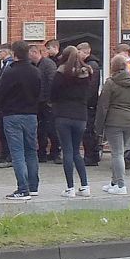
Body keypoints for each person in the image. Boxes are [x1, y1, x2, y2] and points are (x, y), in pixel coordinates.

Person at [0, 41, 42, 200]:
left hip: (12, 115)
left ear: (14, 54)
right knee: (31, 151)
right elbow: (39, 93)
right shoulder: (36, 71)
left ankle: (22, 189)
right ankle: (33, 186)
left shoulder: (10, 72)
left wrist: (3, 107)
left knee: (17, 152)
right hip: (31, 114)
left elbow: (0, 93)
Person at [50, 45, 93, 197]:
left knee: (67, 151)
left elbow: (53, 93)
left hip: (63, 115)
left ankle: (70, 188)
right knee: (76, 152)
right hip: (81, 115)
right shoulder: (87, 73)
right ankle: (85, 186)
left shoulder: (61, 73)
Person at [95, 54, 130, 195]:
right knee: (120, 152)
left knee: (117, 153)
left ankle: (121, 185)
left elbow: (103, 106)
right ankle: (114, 182)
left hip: (114, 121)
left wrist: (99, 126)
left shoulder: (110, 83)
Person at [29, 44, 59, 163]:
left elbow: (52, 82)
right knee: (40, 129)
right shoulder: (33, 65)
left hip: (47, 102)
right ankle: (41, 152)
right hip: (38, 102)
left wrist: (50, 100)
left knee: (51, 128)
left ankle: (55, 152)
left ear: (35, 53)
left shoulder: (48, 64)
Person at [78, 42, 102, 167]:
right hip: (89, 103)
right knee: (88, 130)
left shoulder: (92, 65)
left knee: (88, 130)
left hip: (89, 104)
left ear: (86, 52)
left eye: (79, 52)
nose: (78, 54)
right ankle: (91, 155)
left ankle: (91, 156)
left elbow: (91, 87)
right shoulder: (91, 64)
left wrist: (85, 101)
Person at [0, 43, 14, 168]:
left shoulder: (9, 66)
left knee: (7, 132)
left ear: (6, 52)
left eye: (0, 52)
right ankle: (5, 155)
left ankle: (8, 156)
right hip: (4, 105)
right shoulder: (5, 65)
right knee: (3, 131)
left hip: (7, 105)